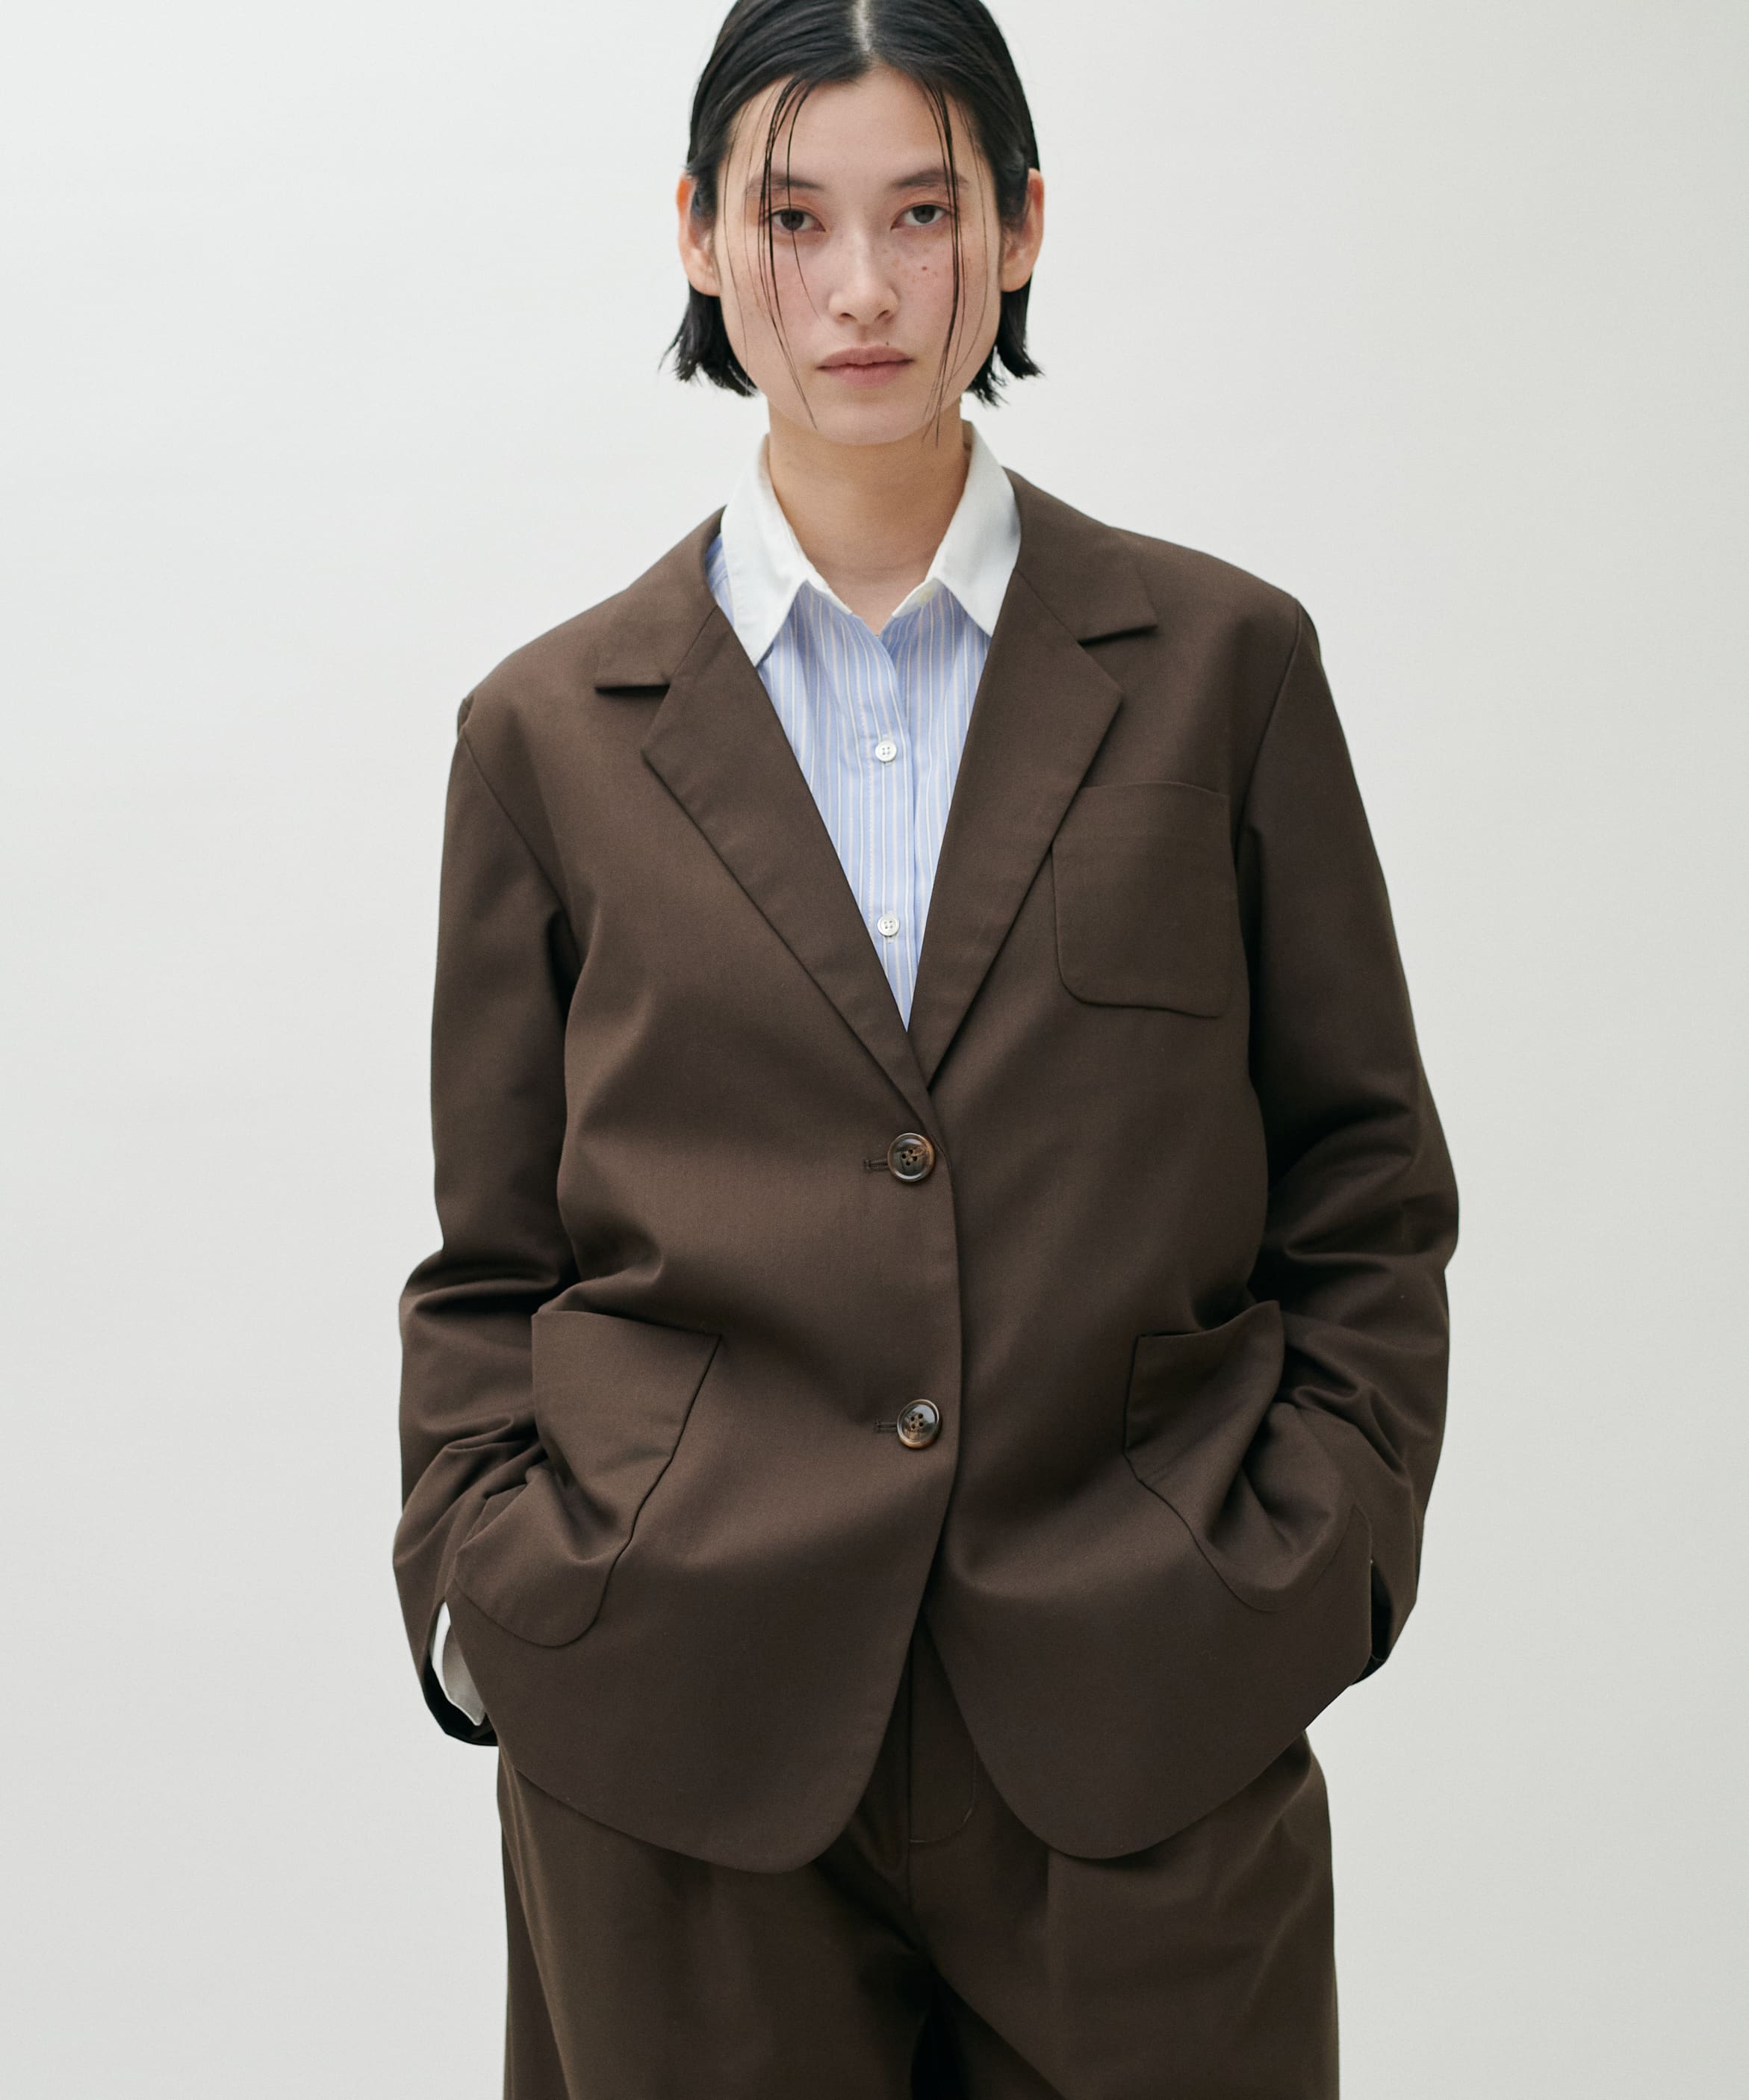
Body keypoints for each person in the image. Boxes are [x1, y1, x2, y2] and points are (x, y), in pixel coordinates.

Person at [393, 1, 1458, 2093]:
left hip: (1143, 1728)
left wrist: (1314, 1566)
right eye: (795, 218)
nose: (862, 290)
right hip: (676, 1745)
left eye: (923, 212)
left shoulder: (1224, 669)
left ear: (1022, 226)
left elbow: (1365, 1178)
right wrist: (490, 1598)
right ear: (700, 237)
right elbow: (493, 1257)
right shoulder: (545, 735)